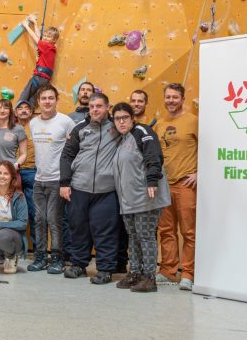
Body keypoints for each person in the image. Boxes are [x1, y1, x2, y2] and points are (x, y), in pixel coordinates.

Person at [59, 92, 120, 285]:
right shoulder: (80, 129)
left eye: (99, 106)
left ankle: (105, 269)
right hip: (79, 188)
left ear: (107, 107)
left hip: (107, 191)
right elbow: (67, 156)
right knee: (79, 229)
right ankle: (78, 265)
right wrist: (64, 183)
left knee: (105, 231)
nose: (95, 109)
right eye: (92, 106)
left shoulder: (117, 128)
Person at [111, 103, 170, 292]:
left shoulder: (142, 131)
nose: (121, 122)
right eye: (117, 118)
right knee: (133, 237)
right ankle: (135, 273)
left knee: (145, 236)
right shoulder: (122, 139)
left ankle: (149, 277)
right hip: (128, 200)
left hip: (146, 196)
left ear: (132, 118)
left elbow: (154, 155)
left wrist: (152, 180)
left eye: (125, 118)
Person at [154, 83, 198, 291]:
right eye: (168, 97)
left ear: (182, 99)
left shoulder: (193, 121)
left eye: (175, 97)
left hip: (185, 185)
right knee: (166, 230)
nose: (171, 100)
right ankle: (167, 270)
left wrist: (200, 173)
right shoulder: (160, 123)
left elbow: (208, 149)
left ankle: (188, 273)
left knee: (189, 232)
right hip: (164, 185)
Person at [28, 84, 75, 274]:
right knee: (39, 219)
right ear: (38, 101)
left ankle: (57, 258)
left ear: (56, 100)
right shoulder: (33, 123)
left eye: (51, 98)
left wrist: (67, 180)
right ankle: (40, 256)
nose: (47, 101)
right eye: (43, 98)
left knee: (54, 220)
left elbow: (72, 151)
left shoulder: (65, 122)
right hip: (39, 179)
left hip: (57, 179)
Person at [18, 15, 59, 108]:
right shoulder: (51, 48)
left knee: (25, 94)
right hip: (45, 79)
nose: (45, 38)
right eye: (45, 35)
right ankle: (28, 114)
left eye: (48, 36)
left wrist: (26, 26)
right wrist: (35, 23)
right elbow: (39, 37)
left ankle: (17, 111)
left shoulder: (46, 46)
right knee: (32, 99)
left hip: (39, 76)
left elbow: (36, 39)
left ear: (54, 40)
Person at [15, 99, 37, 249]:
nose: (23, 110)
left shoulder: (36, 127)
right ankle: (15, 247)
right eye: (20, 108)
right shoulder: (11, 128)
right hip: (13, 173)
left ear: (31, 112)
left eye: (26, 108)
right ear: (15, 112)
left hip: (31, 171)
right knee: (13, 211)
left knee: (34, 212)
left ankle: (36, 249)